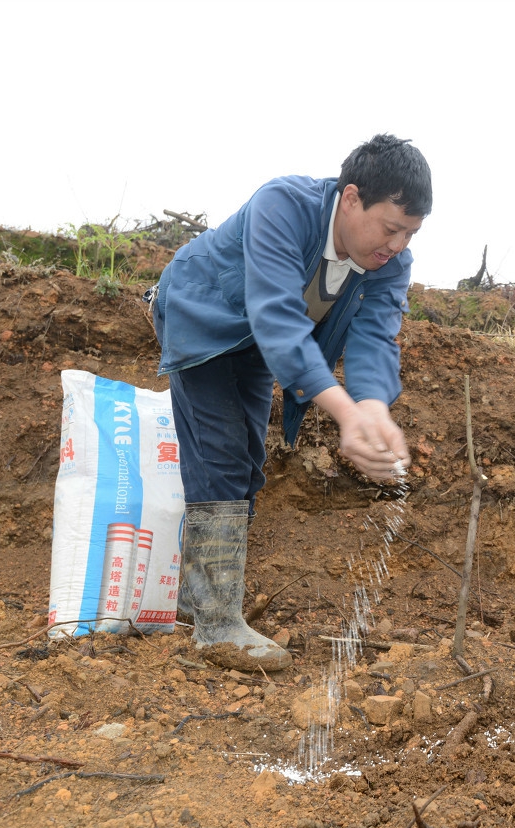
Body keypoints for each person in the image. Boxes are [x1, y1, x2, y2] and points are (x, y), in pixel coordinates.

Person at [149, 134, 431, 671]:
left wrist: (373, 407)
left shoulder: (388, 264)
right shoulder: (284, 206)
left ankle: (198, 598)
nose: (396, 245)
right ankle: (217, 626)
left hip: (256, 344)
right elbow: (277, 316)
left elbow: (374, 339)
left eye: (410, 234)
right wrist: (345, 412)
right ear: (351, 199)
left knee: (248, 461)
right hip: (202, 315)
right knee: (222, 453)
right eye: (390, 228)